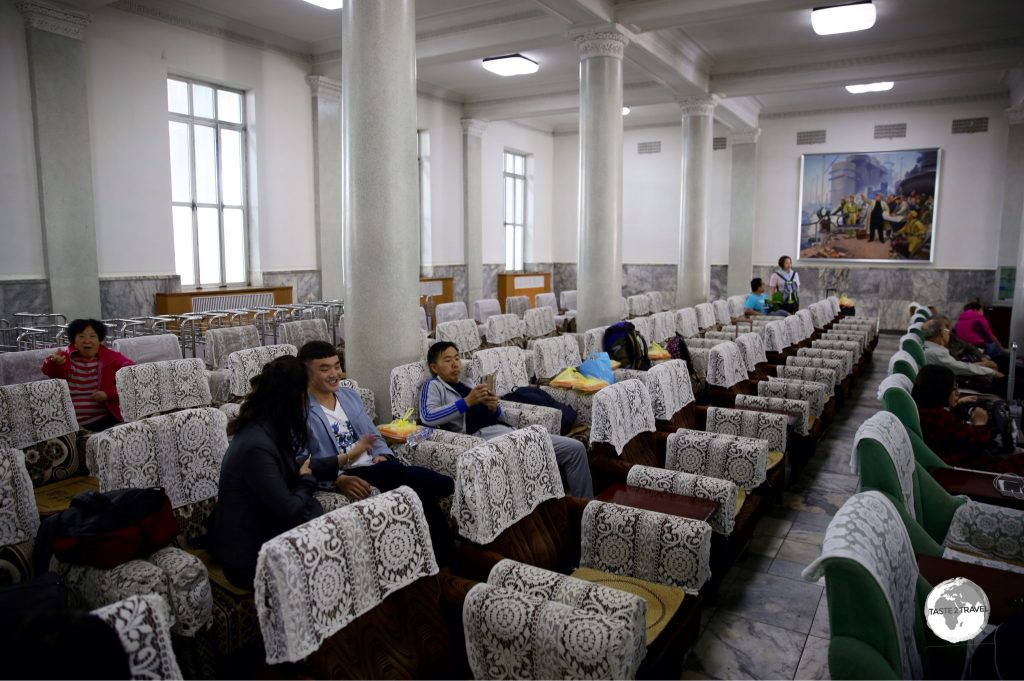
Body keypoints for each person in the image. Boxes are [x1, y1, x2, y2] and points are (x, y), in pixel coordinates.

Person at [298, 341, 455, 565]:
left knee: (418, 493)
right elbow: (304, 461)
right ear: (306, 372)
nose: (335, 374)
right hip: (350, 471)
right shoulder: (301, 409)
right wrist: (338, 478)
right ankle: (448, 565)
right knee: (429, 487)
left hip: (377, 465)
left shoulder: (349, 396)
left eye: (337, 366)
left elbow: (373, 434)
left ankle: (440, 565)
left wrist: (384, 454)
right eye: (325, 369)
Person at [420, 341, 593, 499]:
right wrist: (467, 402)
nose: (455, 364)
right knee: (537, 458)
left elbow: (497, 416)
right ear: (435, 367)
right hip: (483, 438)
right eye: (448, 360)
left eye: (457, 358)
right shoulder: (434, 386)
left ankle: (582, 507)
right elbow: (428, 416)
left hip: (508, 430)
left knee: (575, 448)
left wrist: (494, 407)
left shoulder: (469, 383)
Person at [211, 356, 327, 590]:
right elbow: (290, 511)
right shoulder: (257, 445)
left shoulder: (269, 426)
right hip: (249, 558)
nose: (308, 401)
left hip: (265, 527)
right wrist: (307, 480)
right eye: (306, 392)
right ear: (295, 397)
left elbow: (293, 467)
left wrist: (344, 463)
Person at [911, 364, 1023, 474]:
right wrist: (979, 422)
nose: (958, 393)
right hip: (974, 470)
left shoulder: (924, 410)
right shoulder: (937, 417)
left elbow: (950, 432)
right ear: (940, 392)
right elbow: (977, 439)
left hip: (968, 458)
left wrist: (956, 406)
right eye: (953, 389)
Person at [41, 318, 133, 431]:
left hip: (106, 419)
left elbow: (132, 377)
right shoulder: (65, 359)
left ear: (99, 340)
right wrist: (54, 363)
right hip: (69, 422)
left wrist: (107, 394)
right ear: (74, 342)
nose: (87, 340)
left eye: (92, 336)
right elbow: (49, 371)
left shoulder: (113, 358)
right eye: (81, 336)